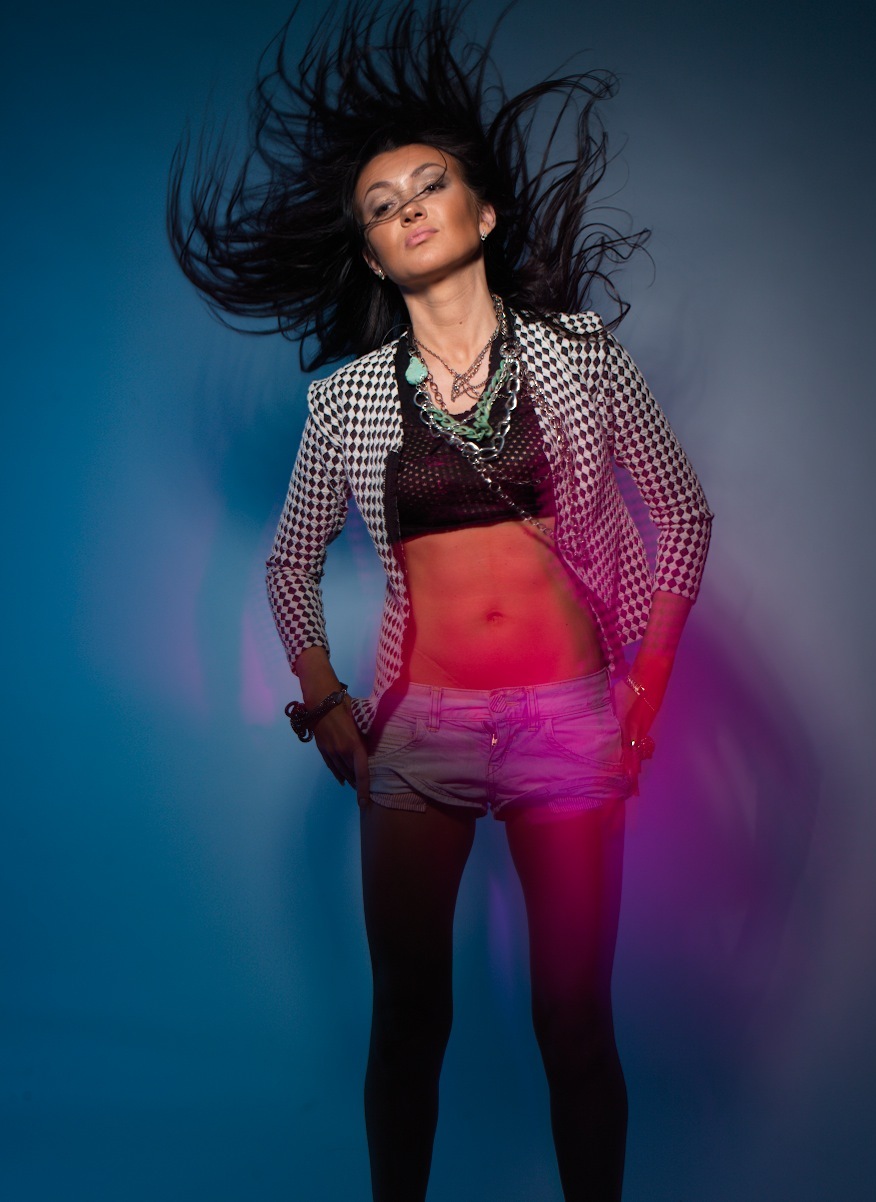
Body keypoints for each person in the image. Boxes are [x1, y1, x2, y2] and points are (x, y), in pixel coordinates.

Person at [168, 3, 712, 1198]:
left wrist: (644, 687)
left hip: (570, 723)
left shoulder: (580, 356)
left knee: (572, 1020)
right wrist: (326, 699)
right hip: (422, 734)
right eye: (381, 204)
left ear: (482, 214)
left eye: (430, 185)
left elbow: (682, 514)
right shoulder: (345, 402)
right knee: (408, 1021)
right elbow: (287, 561)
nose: (408, 206)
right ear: (373, 256)